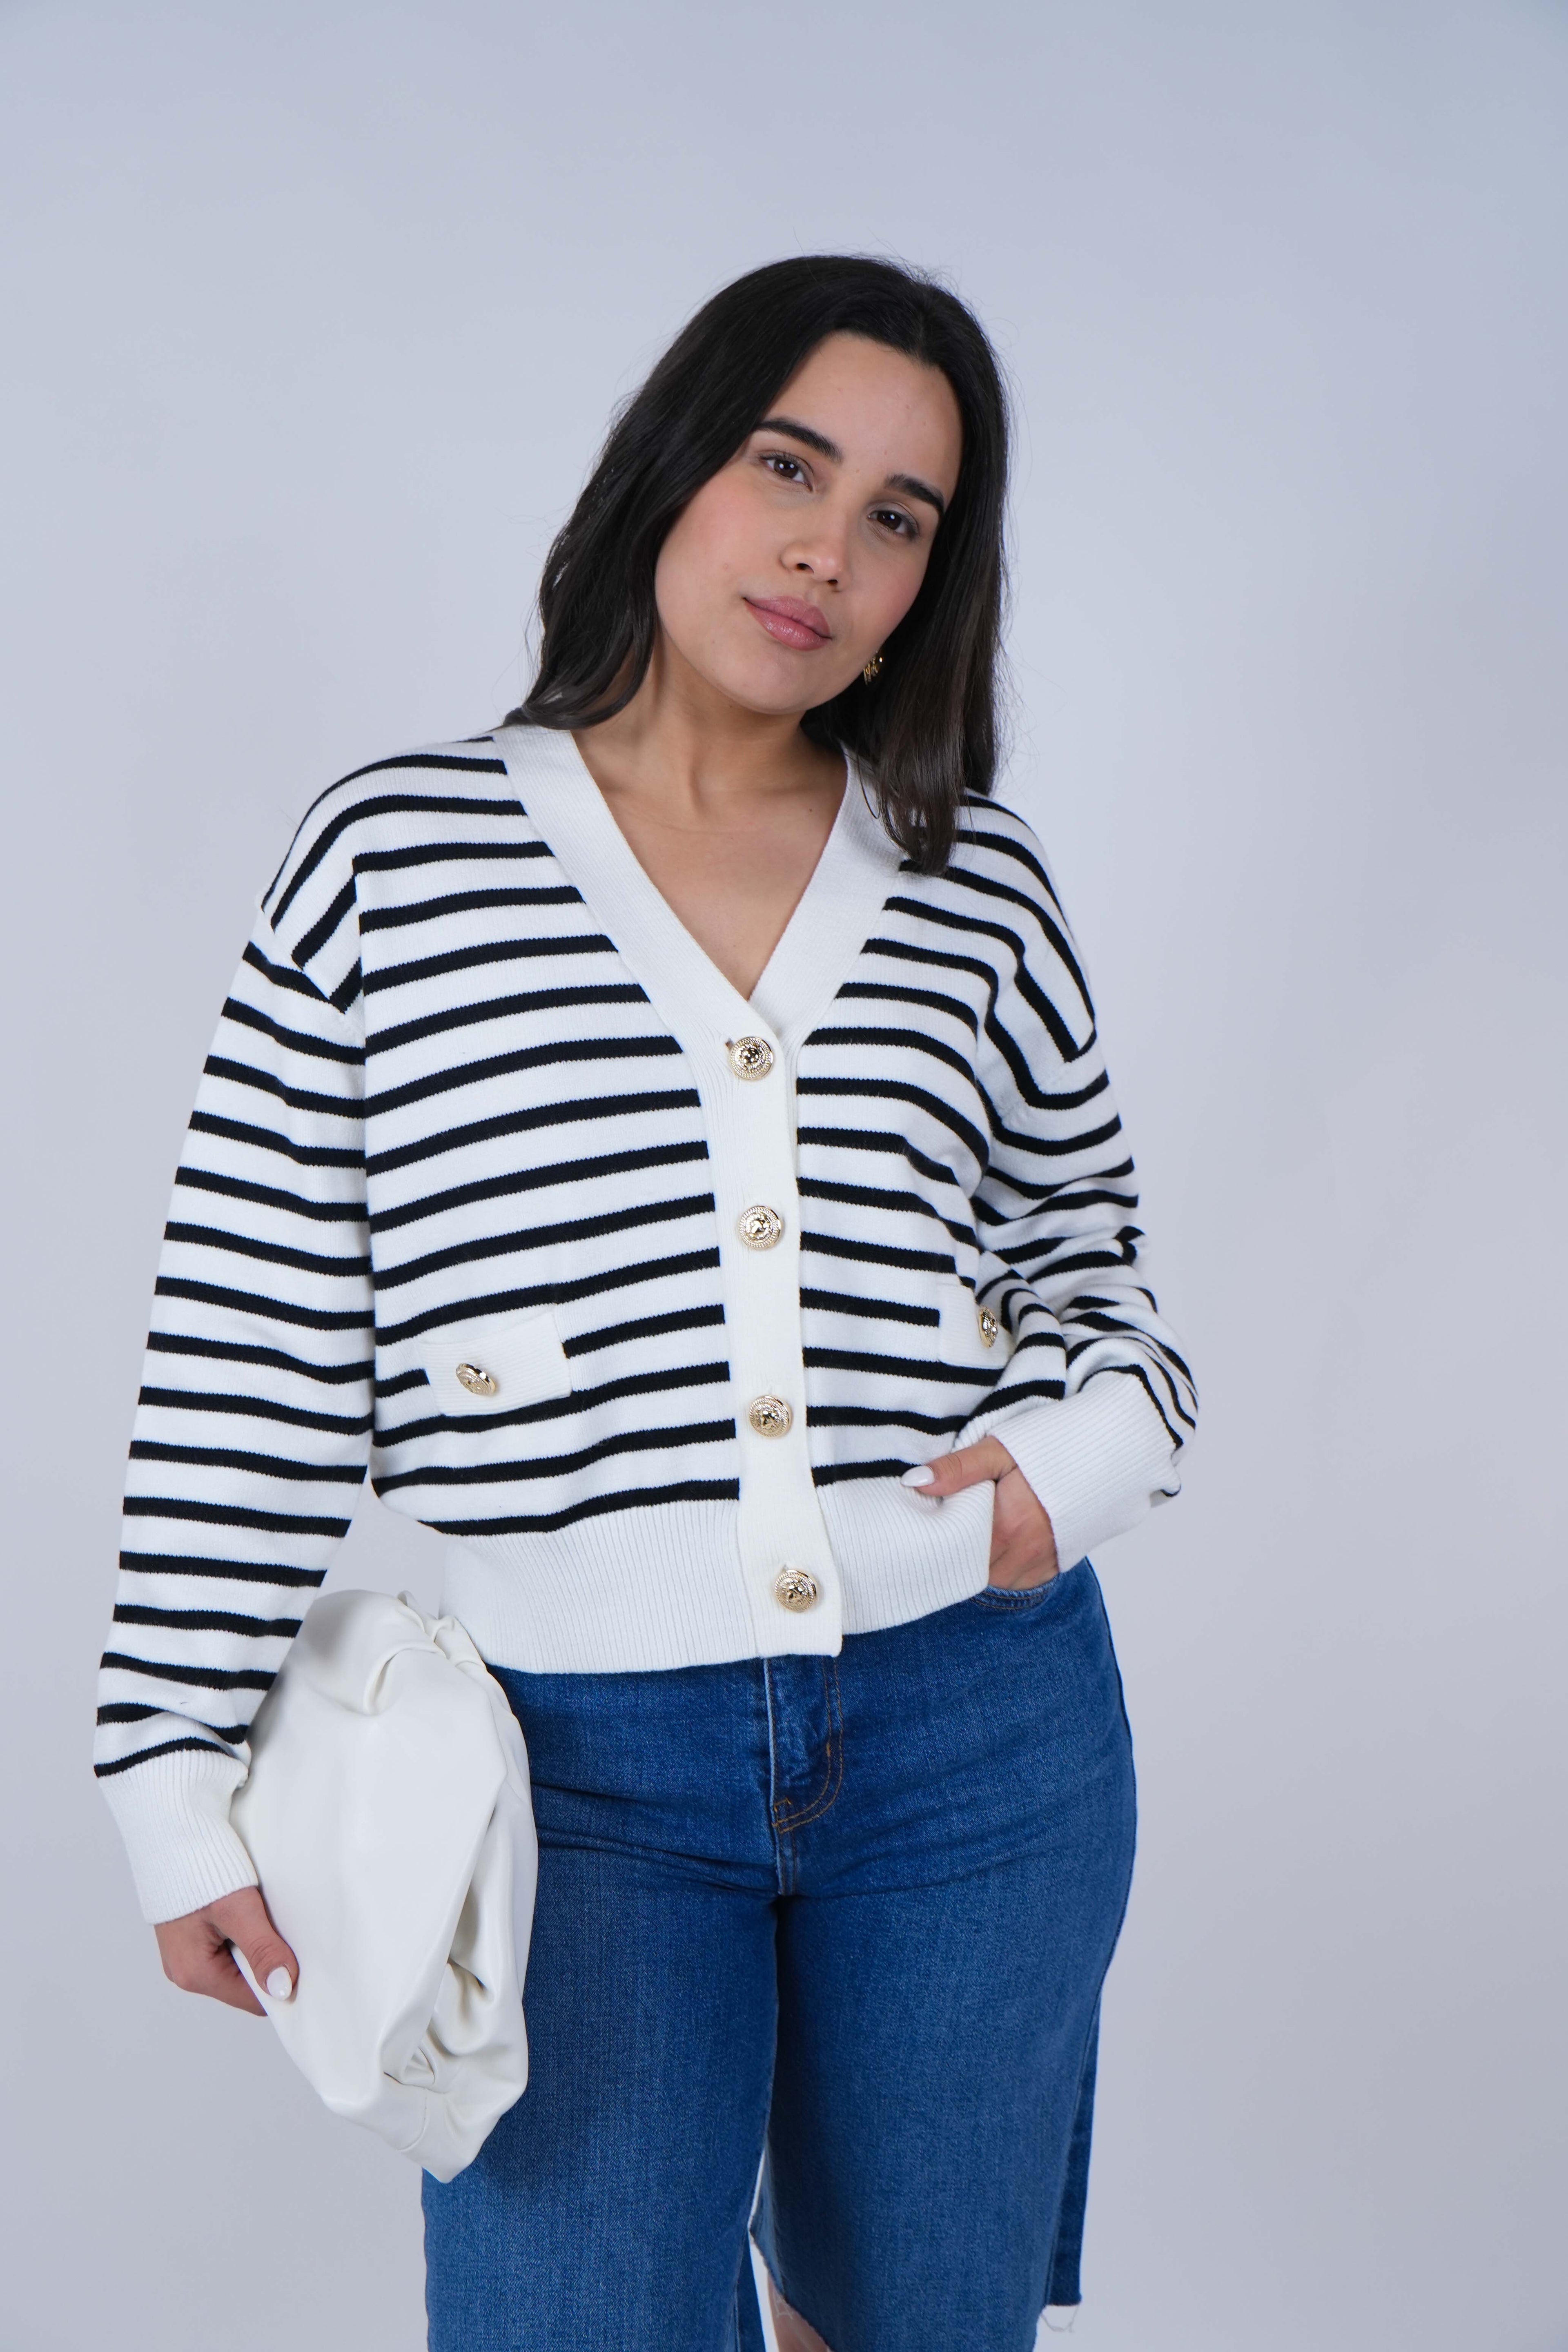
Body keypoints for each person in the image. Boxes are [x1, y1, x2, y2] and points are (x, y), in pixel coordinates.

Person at [95, 254, 1197, 2352]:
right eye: (789, 466)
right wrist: (170, 1766)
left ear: (931, 584)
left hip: (979, 1734)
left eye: (898, 516)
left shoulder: (973, 878)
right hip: (569, 1773)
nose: (828, 548)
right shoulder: (396, 857)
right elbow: (253, 1331)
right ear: (671, 465)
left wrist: (1084, 1461)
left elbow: (1088, 1247)